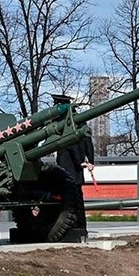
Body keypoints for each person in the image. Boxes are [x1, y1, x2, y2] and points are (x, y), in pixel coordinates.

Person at [52, 95, 94, 230]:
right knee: (78, 198)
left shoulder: (63, 122)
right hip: (76, 169)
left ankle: (72, 228)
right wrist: (90, 161)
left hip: (68, 166)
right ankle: (81, 227)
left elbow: (71, 143)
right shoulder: (80, 120)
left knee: (68, 200)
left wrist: (78, 162)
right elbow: (88, 142)